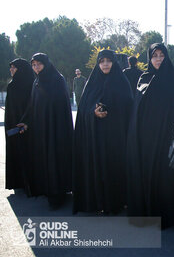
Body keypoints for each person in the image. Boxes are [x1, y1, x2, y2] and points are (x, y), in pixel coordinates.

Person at [126, 43, 174, 228]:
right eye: (154, 55)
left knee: (164, 177)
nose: (158, 58)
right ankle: (145, 213)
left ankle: (165, 216)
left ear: (166, 57)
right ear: (149, 58)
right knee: (144, 174)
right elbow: (137, 108)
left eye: (161, 55)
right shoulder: (144, 78)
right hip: (145, 138)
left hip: (165, 137)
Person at [73, 49, 133, 214]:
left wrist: (111, 110)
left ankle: (117, 202)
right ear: (98, 64)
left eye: (108, 61)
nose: (105, 64)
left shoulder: (122, 83)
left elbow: (128, 108)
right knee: (97, 169)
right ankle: (97, 202)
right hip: (96, 138)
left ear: (113, 63)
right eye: (101, 61)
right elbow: (83, 109)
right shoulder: (92, 83)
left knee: (114, 170)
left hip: (116, 138)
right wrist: (94, 111)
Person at [17, 53, 73, 208]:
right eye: (33, 65)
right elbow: (32, 105)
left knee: (55, 160)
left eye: (39, 64)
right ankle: (48, 190)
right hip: (41, 131)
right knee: (45, 161)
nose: (36, 68)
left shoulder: (57, 80)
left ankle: (58, 194)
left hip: (56, 131)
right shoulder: (37, 82)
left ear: (46, 64)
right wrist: (26, 122)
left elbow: (61, 107)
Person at [5, 58, 35, 195]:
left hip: (26, 126)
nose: (11, 70)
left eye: (14, 67)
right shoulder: (14, 85)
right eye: (11, 67)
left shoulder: (32, 84)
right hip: (18, 126)